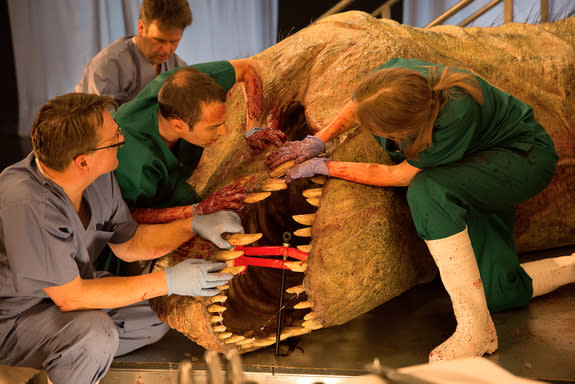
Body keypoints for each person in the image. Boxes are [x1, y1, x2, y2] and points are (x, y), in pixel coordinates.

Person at [266, 58, 575, 362]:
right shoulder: (392, 80)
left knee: (428, 191)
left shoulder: (453, 118)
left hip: (522, 160)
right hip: (470, 161)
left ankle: (476, 329)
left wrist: (327, 166)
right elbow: (359, 104)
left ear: (406, 130)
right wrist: (317, 140)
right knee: (499, 294)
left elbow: (396, 175)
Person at [0, 93, 245, 383]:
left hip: (69, 296)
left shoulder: (97, 177)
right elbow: (71, 297)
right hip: (15, 319)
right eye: (114, 136)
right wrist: (168, 280)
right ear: (82, 162)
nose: (122, 137)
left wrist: (192, 226)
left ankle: (73, 357)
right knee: (95, 333)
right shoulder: (25, 202)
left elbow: (128, 244)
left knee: (161, 313)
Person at [100, 58, 286, 274]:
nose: (224, 132)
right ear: (178, 125)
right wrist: (195, 210)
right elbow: (128, 217)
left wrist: (253, 127)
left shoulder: (186, 85)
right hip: (118, 223)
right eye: (214, 127)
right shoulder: (134, 159)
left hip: (168, 181)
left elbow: (249, 67)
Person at [74, 0, 192, 106]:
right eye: (159, 40)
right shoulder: (108, 65)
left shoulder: (178, 67)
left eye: (174, 41)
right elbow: (99, 123)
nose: (167, 50)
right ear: (141, 27)